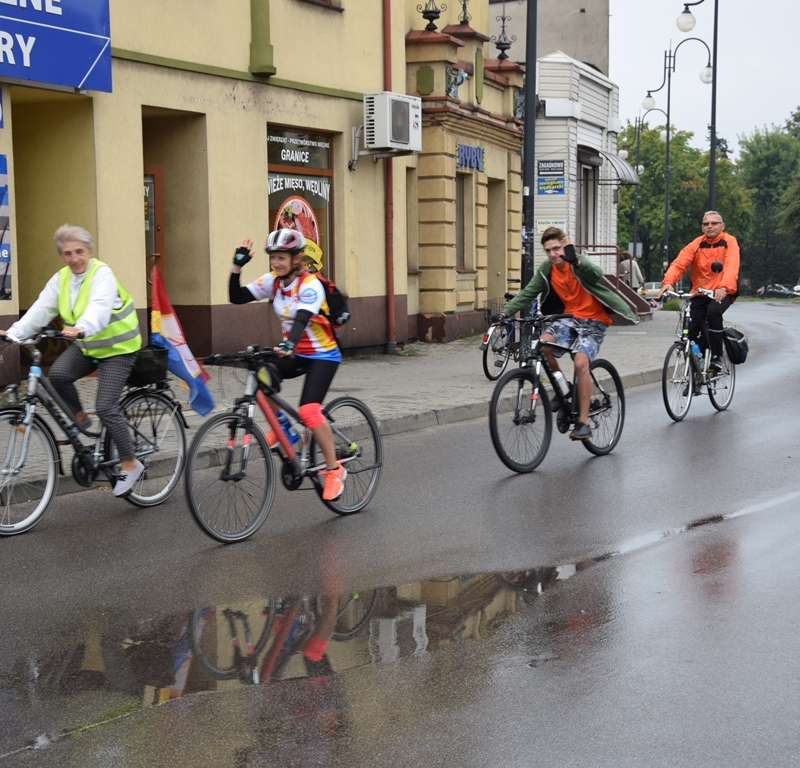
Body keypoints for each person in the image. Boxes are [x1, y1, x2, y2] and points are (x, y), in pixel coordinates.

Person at [0, 224, 144, 496]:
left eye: (79, 251)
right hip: (89, 346)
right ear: (61, 256)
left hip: (118, 347)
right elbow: (40, 310)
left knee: (105, 406)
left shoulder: (102, 274)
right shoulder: (62, 279)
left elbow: (99, 307)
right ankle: (79, 417)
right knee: (58, 376)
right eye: (67, 253)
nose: (74, 258)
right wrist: (13, 335)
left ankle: (130, 461)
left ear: (89, 251)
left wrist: (81, 327)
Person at [228, 228, 346, 501]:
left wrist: (289, 344)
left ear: (296, 259)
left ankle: (333, 470)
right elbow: (237, 297)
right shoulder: (274, 281)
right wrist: (237, 267)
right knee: (259, 377)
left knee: (309, 411)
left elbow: (302, 318)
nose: (276, 263)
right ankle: (285, 431)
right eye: (273, 258)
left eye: (282, 258)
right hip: (293, 352)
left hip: (322, 355)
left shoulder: (310, 284)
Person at [497, 227, 637, 440]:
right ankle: (565, 387)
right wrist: (505, 312)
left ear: (564, 244)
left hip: (593, 320)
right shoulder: (547, 268)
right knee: (542, 345)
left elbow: (595, 273)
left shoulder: (576, 261)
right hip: (567, 319)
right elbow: (529, 292)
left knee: (581, 363)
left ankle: (584, 422)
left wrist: (576, 261)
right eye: (548, 250)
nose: (553, 254)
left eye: (556, 249)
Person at [658, 211, 739, 371]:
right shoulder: (696, 244)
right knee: (692, 328)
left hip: (723, 291)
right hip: (700, 292)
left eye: (714, 223)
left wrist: (724, 287)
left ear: (722, 226)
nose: (710, 226)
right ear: (702, 227)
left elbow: (731, 266)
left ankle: (716, 357)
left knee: (714, 312)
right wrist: (668, 283)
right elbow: (679, 263)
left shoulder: (729, 242)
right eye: (706, 224)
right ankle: (695, 369)